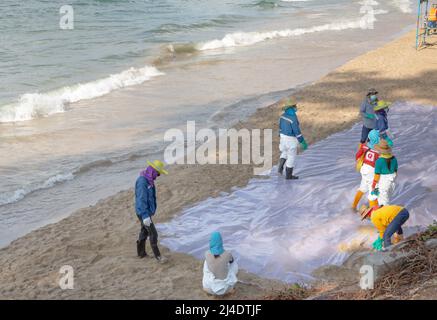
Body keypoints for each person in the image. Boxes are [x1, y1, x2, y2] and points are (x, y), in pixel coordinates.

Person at [135, 160, 168, 263]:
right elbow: (141, 200)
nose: (158, 176)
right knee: (153, 233)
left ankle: (141, 253)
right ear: (153, 171)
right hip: (143, 212)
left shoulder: (149, 180)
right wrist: (145, 216)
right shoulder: (142, 181)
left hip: (146, 212)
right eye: (157, 173)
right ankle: (158, 257)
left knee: (144, 231)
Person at [278, 97, 308, 180]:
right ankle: (288, 176)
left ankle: (280, 169)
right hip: (290, 140)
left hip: (282, 137)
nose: (296, 107)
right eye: (295, 106)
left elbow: (280, 127)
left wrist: (280, 135)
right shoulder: (293, 118)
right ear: (292, 107)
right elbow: (297, 131)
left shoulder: (282, 116)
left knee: (284, 152)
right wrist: (302, 142)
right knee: (291, 156)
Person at [202, 231, 238, 296]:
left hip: (209, 288)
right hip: (225, 289)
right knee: (233, 264)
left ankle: (210, 285)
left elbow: (214, 257)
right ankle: (229, 287)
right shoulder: (227, 254)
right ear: (221, 242)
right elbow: (232, 262)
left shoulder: (206, 253)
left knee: (206, 263)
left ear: (211, 242)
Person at [352, 129, 380, 210]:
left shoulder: (364, 147)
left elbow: (357, 156)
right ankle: (374, 210)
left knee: (363, 188)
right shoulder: (378, 152)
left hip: (364, 169)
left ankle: (354, 206)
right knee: (374, 189)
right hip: (372, 171)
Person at [371, 139, 398, 206]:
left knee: (383, 203)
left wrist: (373, 186)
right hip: (392, 183)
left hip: (383, 183)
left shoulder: (379, 161)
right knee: (387, 199)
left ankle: (387, 215)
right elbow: (396, 171)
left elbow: (377, 175)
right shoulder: (394, 159)